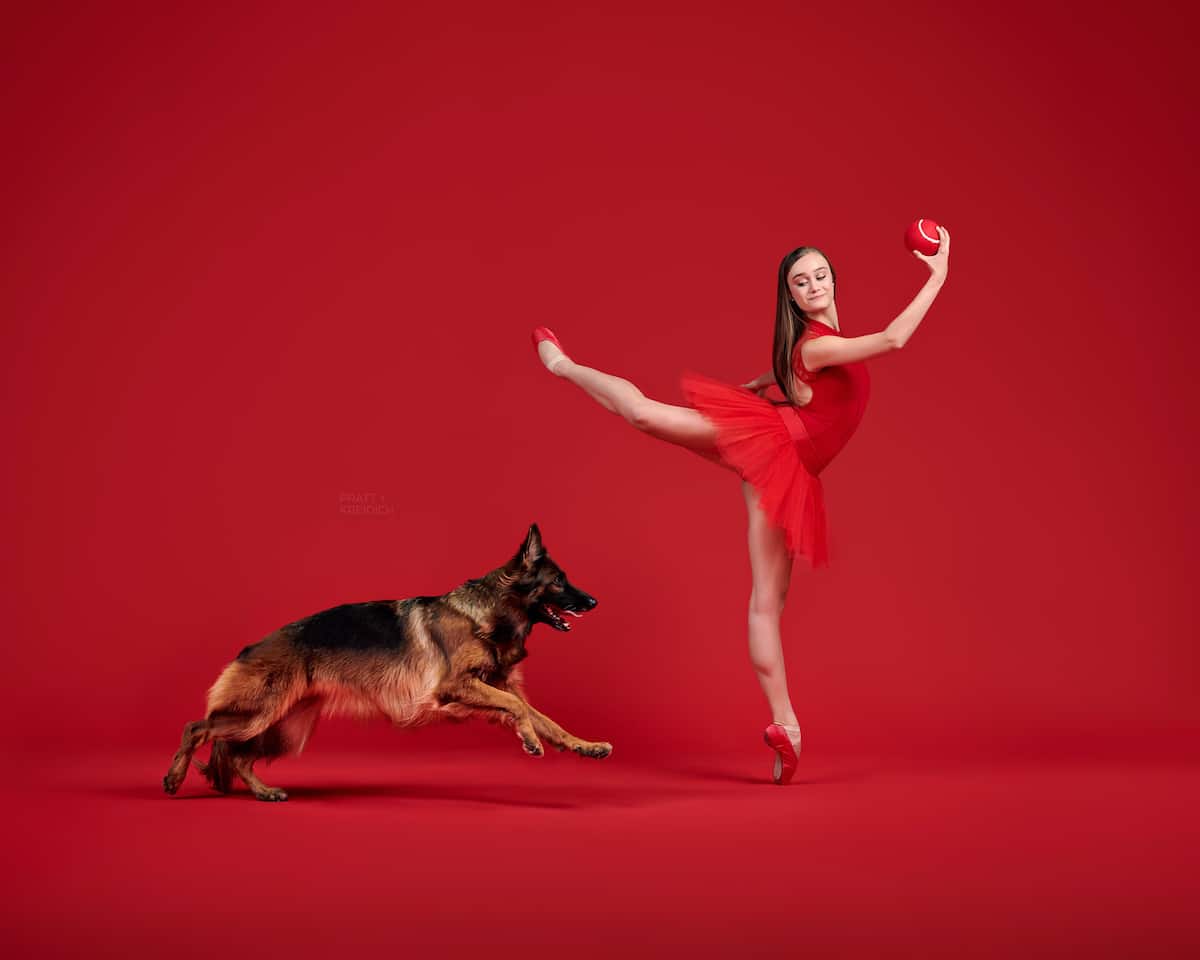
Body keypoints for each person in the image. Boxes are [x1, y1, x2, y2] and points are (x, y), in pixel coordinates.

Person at [531, 228, 950, 783]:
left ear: (832, 280)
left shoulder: (816, 345)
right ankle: (562, 365)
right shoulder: (818, 342)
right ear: (792, 297)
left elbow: (799, 379)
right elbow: (894, 340)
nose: (814, 285)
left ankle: (787, 728)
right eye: (801, 282)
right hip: (777, 444)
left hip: (789, 472)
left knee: (766, 605)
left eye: (820, 275)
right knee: (644, 414)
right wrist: (938, 273)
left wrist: (760, 383)